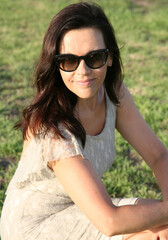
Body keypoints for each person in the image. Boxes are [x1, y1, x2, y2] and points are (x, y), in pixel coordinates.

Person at [1, 2, 168, 240]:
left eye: (95, 57)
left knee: (162, 224)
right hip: (34, 225)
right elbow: (109, 222)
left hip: (83, 207)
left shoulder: (113, 91)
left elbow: (158, 156)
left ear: (109, 57)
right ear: (56, 63)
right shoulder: (53, 129)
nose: (83, 71)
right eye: (69, 60)